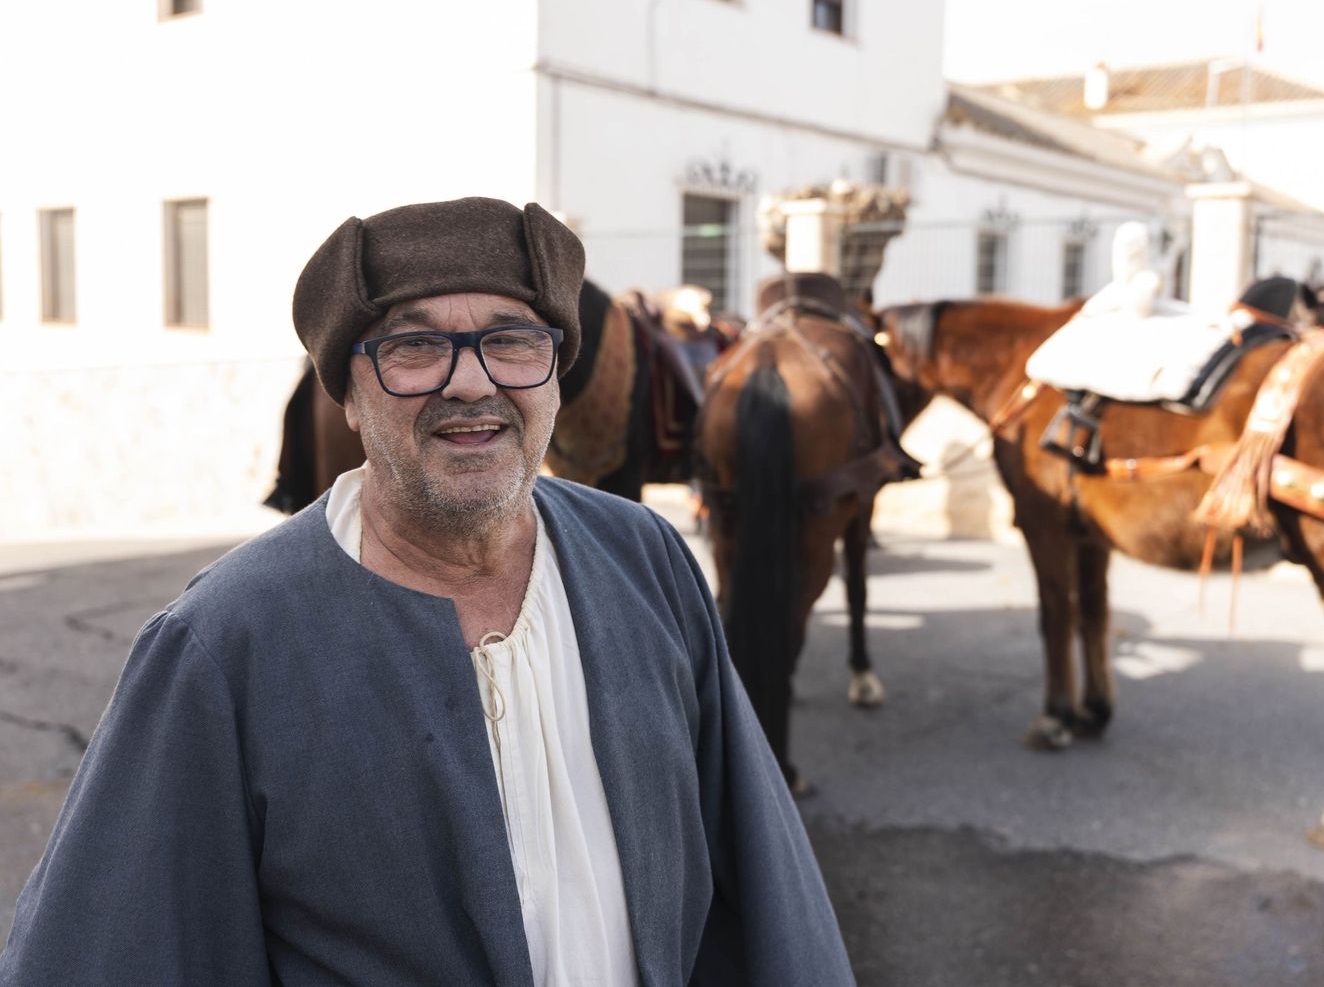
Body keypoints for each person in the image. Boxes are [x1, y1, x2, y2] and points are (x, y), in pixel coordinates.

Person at [0, 197, 855, 986]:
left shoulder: (643, 559)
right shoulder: (226, 641)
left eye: (513, 339)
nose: (473, 382)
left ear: (555, 372)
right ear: (350, 389)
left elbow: (763, 879)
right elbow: (103, 949)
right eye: (413, 346)